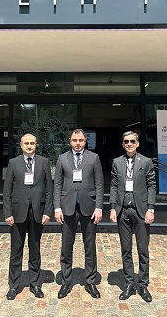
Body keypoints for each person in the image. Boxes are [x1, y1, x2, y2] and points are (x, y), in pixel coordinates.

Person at [53, 128, 104, 299]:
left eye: (81, 140)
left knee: (90, 246)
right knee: (66, 246)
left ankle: (90, 281)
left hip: (89, 207)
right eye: (75, 140)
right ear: (70, 141)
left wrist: (99, 207)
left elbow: (99, 184)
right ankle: (66, 281)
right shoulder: (62, 158)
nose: (77, 143)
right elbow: (57, 184)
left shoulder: (94, 158)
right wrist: (57, 208)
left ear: (85, 141)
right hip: (67, 207)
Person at [2, 133, 53, 300]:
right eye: (26, 143)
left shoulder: (44, 162)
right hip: (18, 213)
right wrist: (8, 213)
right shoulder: (13, 163)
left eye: (32, 143)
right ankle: (13, 285)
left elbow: (49, 189)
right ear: (21, 145)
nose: (29, 146)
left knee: (35, 250)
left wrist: (47, 211)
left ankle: (35, 284)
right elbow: (7, 191)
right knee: (16, 250)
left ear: (36, 144)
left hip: (37, 212)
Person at [109, 131, 156, 303]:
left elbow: (152, 185)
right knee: (126, 249)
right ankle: (129, 283)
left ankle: (143, 284)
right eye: (126, 141)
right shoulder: (117, 162)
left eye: (132, 141)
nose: (129, 144)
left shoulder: (146, 161)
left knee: (143, 250)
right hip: (123, 210)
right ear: (123, 144)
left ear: (137, 143)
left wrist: (151, 209)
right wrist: (112, 207)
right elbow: (114, 185)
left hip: (141, 210)